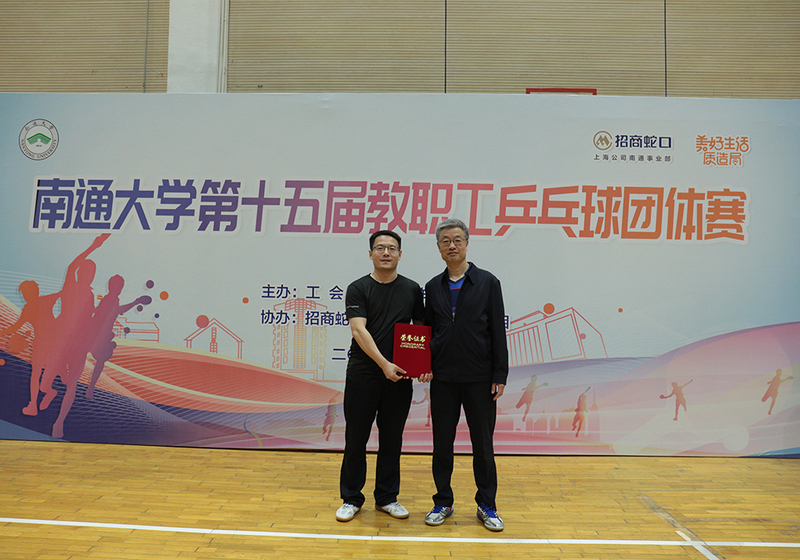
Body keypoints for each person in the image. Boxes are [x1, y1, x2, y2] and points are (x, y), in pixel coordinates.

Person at [336, 230, 428, 522]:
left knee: (392, 439)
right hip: (363, 374)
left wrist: (423, 364)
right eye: (380, 248)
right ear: (370, 254)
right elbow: (358, 330)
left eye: (391, 248)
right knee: (356, 438)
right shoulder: (358, 288)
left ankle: (387, 497)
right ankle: (351, 498)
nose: (386, 253)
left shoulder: (412, 289)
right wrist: (384, 364)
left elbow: (420, 331)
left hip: (399, 377)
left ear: (400, 254)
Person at [423, 218, 508, 532]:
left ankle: (487, 505)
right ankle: (442, 501)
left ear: (467, 244)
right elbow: (427, 331)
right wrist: (423, 365)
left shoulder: (488, 282)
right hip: (443, 379)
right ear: (438, 247)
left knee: (482, 445)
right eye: (445, 241)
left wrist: (500, 373)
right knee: (441, 444)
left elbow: (497, 330)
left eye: (457, 240)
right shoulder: (433, 287)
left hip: (480, 378)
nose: (452, 246)